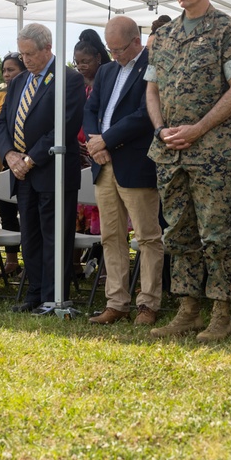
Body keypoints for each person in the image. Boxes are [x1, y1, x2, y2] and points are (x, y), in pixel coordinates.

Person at [145, 0, 231, 342]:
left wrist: (198, 129)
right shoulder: (164, 36)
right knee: (178, 232)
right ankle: (188, 309)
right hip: (170, 151)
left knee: (215, 234)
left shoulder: (227, 31)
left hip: (213, 153)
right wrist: (160, 130)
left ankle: (221, 312)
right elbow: (151, 89)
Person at [0, 22, 85, 313]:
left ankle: (52, 295)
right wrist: (9, 155)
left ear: (48, 48)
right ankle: (34, 293)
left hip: (51, 170)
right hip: (21, 172)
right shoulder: (19, 81)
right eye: (22, 55)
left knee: (53, 235)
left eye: (31, 54)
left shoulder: (68, 79)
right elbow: (2, 122)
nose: (26, 60)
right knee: (29, 235)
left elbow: (65, 126)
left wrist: (30, 159)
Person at [84, 16, 165, 326]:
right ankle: (116, 301)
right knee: (111, 236)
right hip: (103, 163)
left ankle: (148, 303)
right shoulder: (105, 71)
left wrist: (107, 139)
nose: (113, 54)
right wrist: (96, 143)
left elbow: (145, 114)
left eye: (118, 48)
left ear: (136, 41)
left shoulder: (152, 66)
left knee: (147, 236)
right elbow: (91, 109)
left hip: (135, 162)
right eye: (110, 48)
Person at [73, 29, 110, 237]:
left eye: (85, 61)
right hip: (77, 153)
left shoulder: (106, 82)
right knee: (78, 212)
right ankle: (77, 267)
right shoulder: (76, 84)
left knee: (102, 212)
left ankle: (100, 265)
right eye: (77, 62)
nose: (81, 66)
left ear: (98, 58)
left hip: (97, 148)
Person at [0, 53, 25, 258]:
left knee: (27, 214)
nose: (6, 75)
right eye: (4, 70)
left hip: (25, 161)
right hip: (2, 162)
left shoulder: (27, 93)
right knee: (6, 213)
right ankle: (11, 259)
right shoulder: (1, 95)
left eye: (11, 70)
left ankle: (29, 262)